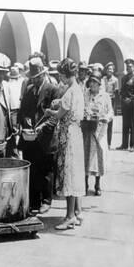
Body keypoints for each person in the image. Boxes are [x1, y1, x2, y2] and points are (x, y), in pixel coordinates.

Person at [46, 58, 85, 230]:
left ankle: (69, 216)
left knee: (68, 173)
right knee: (75, 173)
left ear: (66, 74)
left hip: (68, 134)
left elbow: (59, 115)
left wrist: (49, 111)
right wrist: (59, 103)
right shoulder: (77, 89)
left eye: (61, 75)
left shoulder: (70, 92)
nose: (60, 79)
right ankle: (77, 212)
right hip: (76, 133)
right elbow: (66, 106)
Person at [17, 56, 60, 214]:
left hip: (46, 138)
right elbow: (23, 112)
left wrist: (42, 128)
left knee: (46, 171)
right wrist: (23, 123)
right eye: (31, 78)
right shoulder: (28, 90)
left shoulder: (53, 90)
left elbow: (56, 116)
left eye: (35, 78)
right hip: (30, 139)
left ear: (42, 75)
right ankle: (34, 201)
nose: (33, 81)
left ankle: (46, 200)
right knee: (32, 169)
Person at [83, 70, 114, 195]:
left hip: (100, 131)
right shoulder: (85, 94)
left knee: (98, 156)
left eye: (95, 83)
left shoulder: (105, 96)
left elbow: (111, 112)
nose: (92, 85)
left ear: (99, 84)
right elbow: (81, 108)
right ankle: (84, 183)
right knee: (85, 156)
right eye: (91, 82)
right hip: (87, 129)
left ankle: (97, 184)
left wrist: (106, 117)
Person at [117, 59, 134, 152]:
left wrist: (131, 98)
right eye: (127, 67)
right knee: (125, 125)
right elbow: (122, 91)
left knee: (133, 125)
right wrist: (123, 98)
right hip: (125, 104)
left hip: (133, 104)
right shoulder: (124, 78)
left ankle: (133, 145)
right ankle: (124, 144)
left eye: (130, 67)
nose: (128, 68)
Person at [102, 62, 119, 148]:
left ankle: (109, 143)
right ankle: (103, 142)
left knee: (110, 123)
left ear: (113, 71)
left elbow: (116, 94)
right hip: (103, 101)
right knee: (102, 121)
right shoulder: (103, 79)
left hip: (111, 101)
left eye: (111, 69)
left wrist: (114, 108)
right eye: (108, 69)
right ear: (106, 70)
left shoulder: (115, 80)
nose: (110, 71)